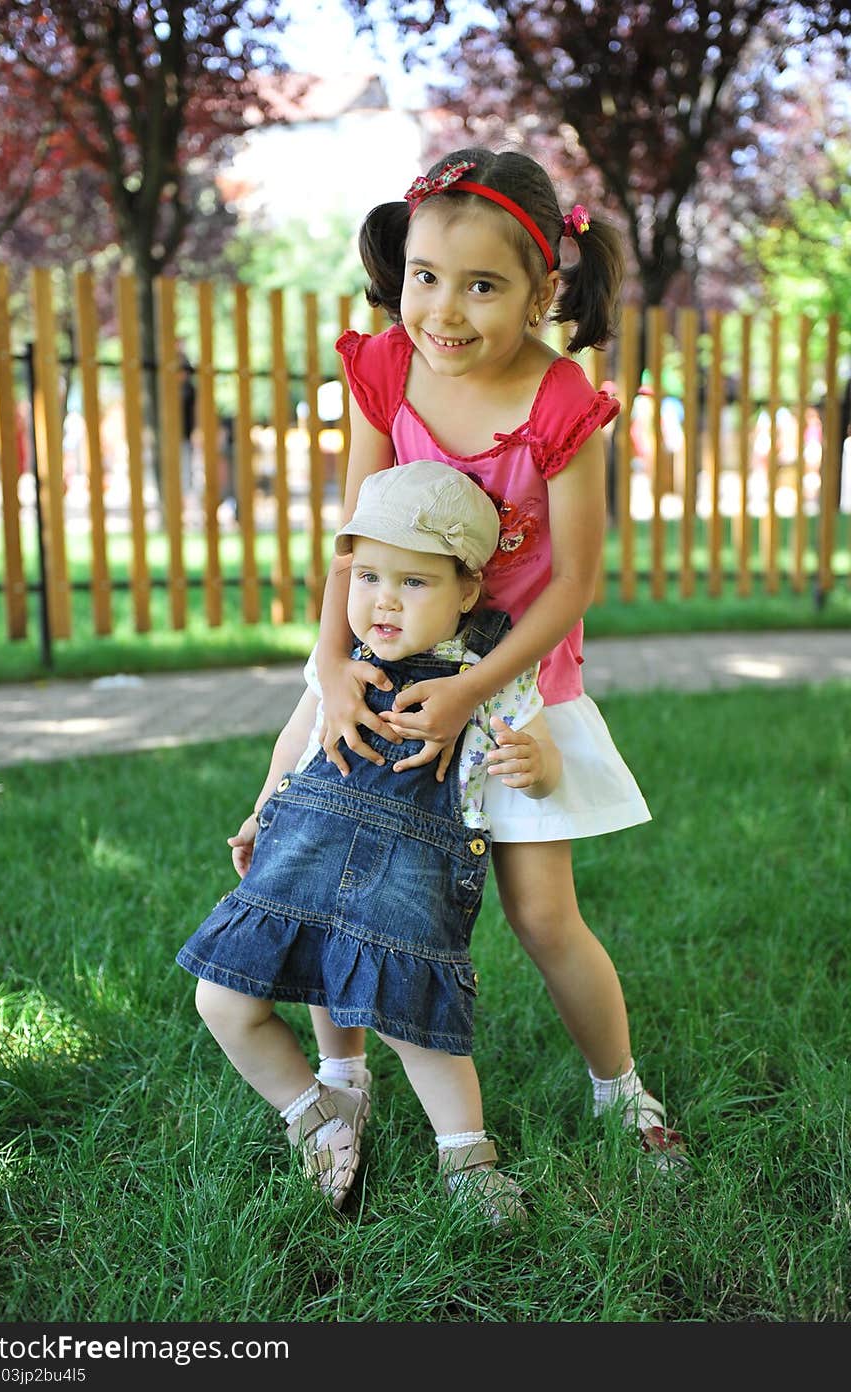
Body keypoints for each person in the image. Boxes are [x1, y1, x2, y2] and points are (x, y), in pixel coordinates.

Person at [307, 146, 687, 1172]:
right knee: (340, 874)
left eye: (482, 285)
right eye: (426, 276)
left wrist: (474, 689)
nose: (444, 309)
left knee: (540, 910)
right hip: (383, 665)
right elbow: (357, 532)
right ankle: (339, 1084)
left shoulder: (562, 406)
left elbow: (569, 584)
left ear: (541, 290)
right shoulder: (386, 369)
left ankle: (620, 1088)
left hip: (509, 679)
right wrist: (330, 662)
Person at [176, 460, 562, 1224]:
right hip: (304, 854)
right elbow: (295, 745)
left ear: (467, 593)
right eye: (369, 576)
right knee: (219, 996)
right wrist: (261, 814)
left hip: (409, 875)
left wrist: (535, 765)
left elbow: (541, 754)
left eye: (414, 583)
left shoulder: (487, 674)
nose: (382, 599)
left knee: (410, 1021)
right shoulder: (341, 666)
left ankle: (467, 1159)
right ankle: (316, 1110)